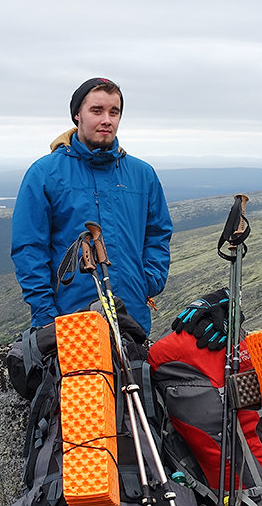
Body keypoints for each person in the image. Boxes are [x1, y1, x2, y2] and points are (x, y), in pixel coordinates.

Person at [11, 77, 172, 335]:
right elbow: (29, 248)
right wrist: (45, 315)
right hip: (69, 319)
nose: (106, 119)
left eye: (114, 112)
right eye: (96, 111)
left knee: (132, 376)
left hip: (131, 315)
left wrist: (148, 281)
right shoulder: (45, 173)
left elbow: (157, 233)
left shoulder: (142, 175)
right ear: (77, 115)